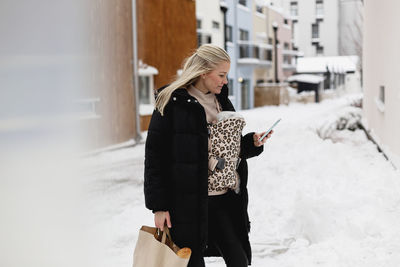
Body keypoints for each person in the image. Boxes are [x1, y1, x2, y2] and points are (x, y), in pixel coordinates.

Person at [144, 44, 273, 267]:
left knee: (238, 259)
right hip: (186, 205)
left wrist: (251, 143)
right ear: (204, 72)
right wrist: (159, 206)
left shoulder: (221, 100)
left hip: (223, 201)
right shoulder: (171, 102)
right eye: (221, 75)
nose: (225, 81)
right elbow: (155, 158)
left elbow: (229, 149)